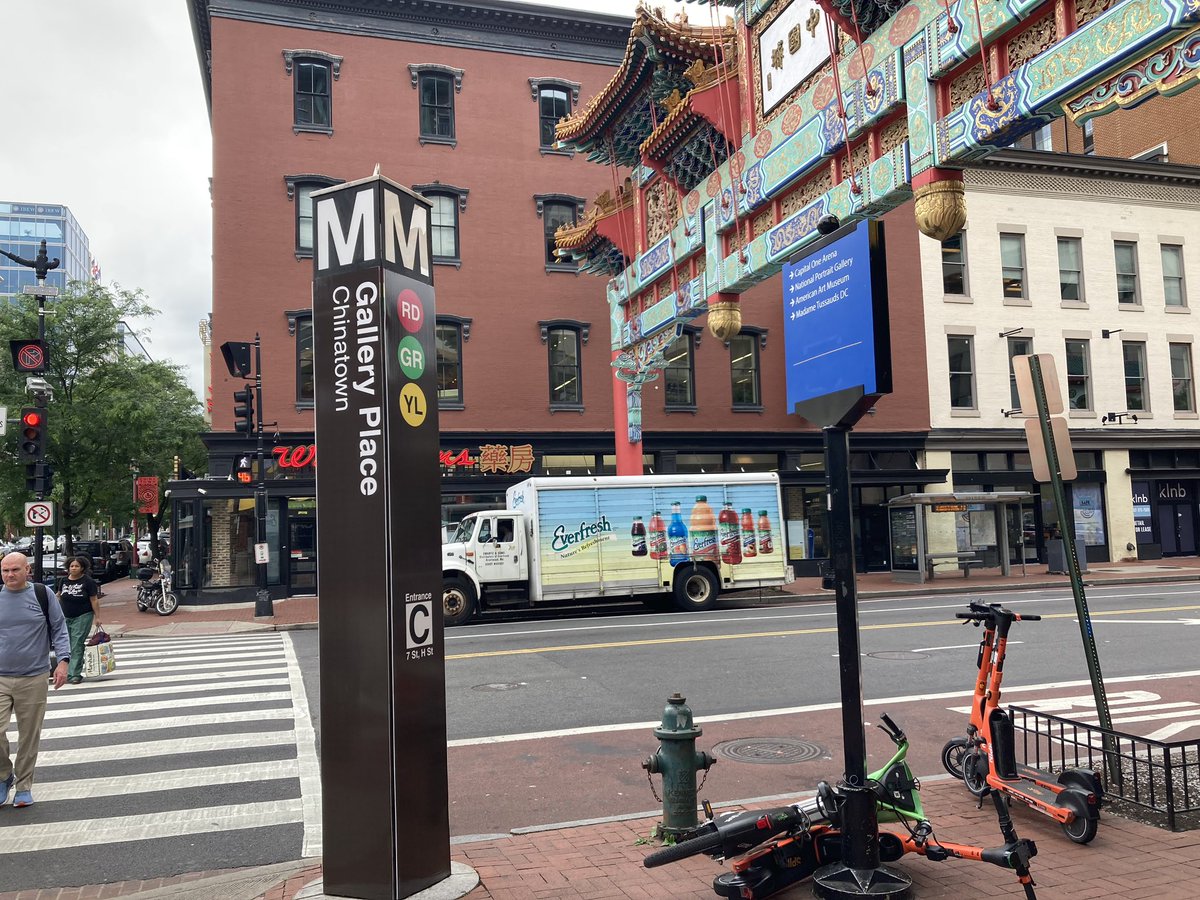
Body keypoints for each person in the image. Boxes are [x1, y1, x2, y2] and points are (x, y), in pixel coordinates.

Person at [0, 551, 69, 808]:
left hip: (34, 675)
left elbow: (59, 628)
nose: (9, 575)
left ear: (27, 570)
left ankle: (24, 785)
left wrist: (63, 662)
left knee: (29, 735)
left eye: (15, 570)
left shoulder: (42, 594)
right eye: (5, 570)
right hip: (0, 676)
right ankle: (4, 775)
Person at [57, 556, 101, 685]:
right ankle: (68, 670)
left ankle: (74, 674)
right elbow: (59, 596)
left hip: (83, 615)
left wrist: (98, 617)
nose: (73, 568)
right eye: (71, 566)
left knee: (77, 643)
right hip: (65, 616)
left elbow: (94, 600)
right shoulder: (63, 581)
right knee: (67, 644)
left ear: (82, 568)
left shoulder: (88, 582)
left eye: (76, 566)